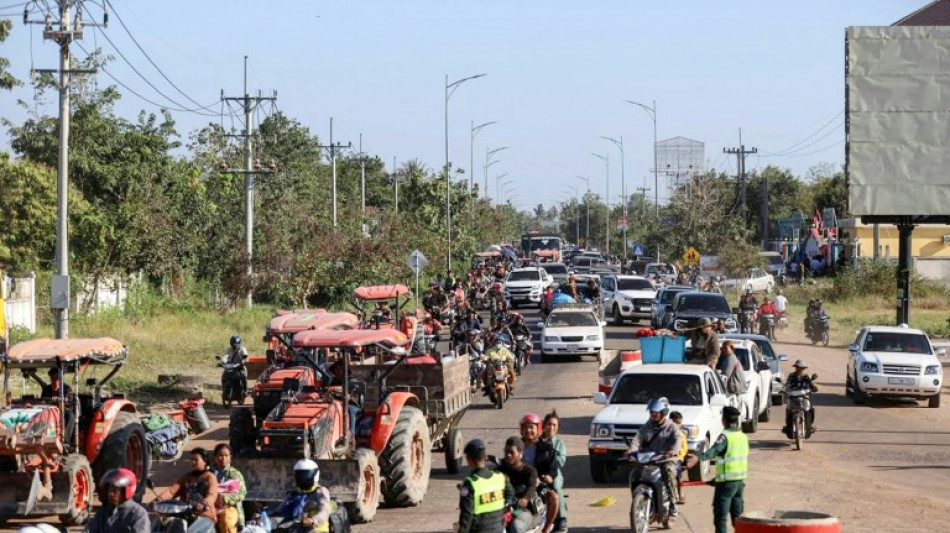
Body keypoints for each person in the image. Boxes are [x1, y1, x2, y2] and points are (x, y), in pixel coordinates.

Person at [685, 406, 748, 533]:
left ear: (723, 420)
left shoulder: (725, 437)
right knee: (738, 519)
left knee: (720, 518)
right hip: (739, 483)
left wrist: (698, 458)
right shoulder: (742, 436)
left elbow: (713, 451)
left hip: (726, 484)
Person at [627, 398, 681, 520]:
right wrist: (631, 451)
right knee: (635, 473)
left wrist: (673, 450)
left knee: (669, 471)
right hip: (649, 458)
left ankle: (673, 504)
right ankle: (638, 501)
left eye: (656, 412)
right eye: (651, 412)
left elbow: (678, 439)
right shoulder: (646, 426)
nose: (653, 414)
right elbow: (637, 439)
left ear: (664, 412)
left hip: (666, 459)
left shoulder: (671, 427)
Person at [457, 438, 515, 533]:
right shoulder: (500, 477)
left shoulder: (470, 484)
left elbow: (466, 516)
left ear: (469, 460)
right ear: (485, 457)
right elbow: (511, 496)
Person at [156, 447, 219, 533]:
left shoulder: (210, 477)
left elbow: (212, 494)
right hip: (184, 513)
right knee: (164, 525)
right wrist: (159, 499)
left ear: (205, 461)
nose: (192, 462)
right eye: (191, 459)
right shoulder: (187, 477)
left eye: (196, 460)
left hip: (204, 514)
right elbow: (173, 490)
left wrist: (204, 504)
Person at [519, 414, 560, 533]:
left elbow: (553, 468)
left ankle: (546, 528)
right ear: (521, 429)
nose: (528, 430)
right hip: (518, 481)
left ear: (539, 429)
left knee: (554, 497)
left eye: (532, 427)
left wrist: (549, 477)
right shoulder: (516, 446)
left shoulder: (547, 448)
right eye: (525, 427)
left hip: (539, 483)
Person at [85, 467, 150, 533]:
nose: (111, 494)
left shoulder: (137, 514)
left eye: (115, 490)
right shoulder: (103, 513)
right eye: (109, 490)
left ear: (126, 490)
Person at [277, 459, 332, 532]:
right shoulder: (295, 492)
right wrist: (266, 516)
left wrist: (313, 520)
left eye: (306, 474)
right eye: (300, 474)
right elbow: (281, 509)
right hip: (297, 529)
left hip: (317, 529)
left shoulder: (320, 491)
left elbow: (325, 510)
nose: (303, 478)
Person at [497, 437, 539, 533]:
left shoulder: (529, 471)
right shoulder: (499, 469)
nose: (508, 455)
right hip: (500, 508)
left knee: (516, 528)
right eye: (506, 452)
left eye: (512, 452)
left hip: (522, 510)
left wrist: (525, 498)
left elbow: (532, 486)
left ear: (521, 454)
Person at [541, 411, 568, 533]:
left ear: (557, 428)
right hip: (539, 470)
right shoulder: (538, 440)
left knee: (556, 486)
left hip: (554, 473)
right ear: (543, 425)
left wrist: (551, 453)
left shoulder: (559, 443)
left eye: (554, 425)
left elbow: (561, 461)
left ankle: (562, 518)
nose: (551, 427)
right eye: (549, 424)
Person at [211, 444, 246, 533]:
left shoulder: (235, 474)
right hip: (210, 508)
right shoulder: (209, 474)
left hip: (230, 508)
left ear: (230, 457)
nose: (223, 458)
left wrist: (225, 498)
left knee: (227, 521)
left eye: (226, 455)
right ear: (215, 457)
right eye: (220, 455)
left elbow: (242, 494)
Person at [783, 360, 818, 437]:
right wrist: (783, 389)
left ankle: (809, 426)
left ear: (803, 368)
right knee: (789, 410)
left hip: (804, 396)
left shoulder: (806, 376)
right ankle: (788, 427)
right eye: (797, 367)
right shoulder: (791, 375)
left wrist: (814, 387)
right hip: (793, 396)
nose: (799, 369)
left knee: (810, 409)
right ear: (795, 367)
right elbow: (787, 383)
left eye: (801, 368)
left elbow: (810, 383)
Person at [669, 411, 689, 505]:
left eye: (679, 423)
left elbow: (684, 447)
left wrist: (681, 456)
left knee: (678, 476)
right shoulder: (666, 432)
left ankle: (680, 493)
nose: (677, 425)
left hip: (677, 458)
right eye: (675, 423)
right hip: (666, 457)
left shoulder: (681, 434)